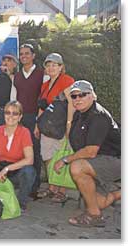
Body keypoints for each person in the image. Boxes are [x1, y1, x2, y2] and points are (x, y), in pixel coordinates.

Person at [54, 80, 121, 227]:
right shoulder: (80, 114)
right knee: (98, 202)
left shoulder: (98, 115)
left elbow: (91, 151)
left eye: (82, 95)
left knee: (77, 167)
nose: (77, 99)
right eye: (74, 96)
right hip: (97, 161)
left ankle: (94, 216)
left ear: (92, 96)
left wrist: (65, 160)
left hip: (116, 160)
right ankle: (120, 192)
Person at [0, 101, 36, 211]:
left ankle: (21, 202)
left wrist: (8, 169)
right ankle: (0, 197)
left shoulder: (24, 132)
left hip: (17, 170)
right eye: (8, 112)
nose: (11, 116)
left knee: (29, 171)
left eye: (15, 113)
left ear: (20, 117)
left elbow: (30, 159)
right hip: (1, 168)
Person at [35, 53, 75, 202]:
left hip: (62, 126)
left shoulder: (67, 80)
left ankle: (62, 190)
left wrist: (69, 124)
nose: (51, 67)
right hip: (47, 127)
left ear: (61, 67)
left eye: (54, 65)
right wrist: (37, 125)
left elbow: (72, 103)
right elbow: (42, 106)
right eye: (48, 64)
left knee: (62, 155)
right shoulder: (45, 85)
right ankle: (52, 186)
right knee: (47, 156)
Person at [14, 43, 44, 196]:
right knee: (19, 151)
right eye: (21, 54)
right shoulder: (18, 76)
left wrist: (38, 122)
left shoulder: (41, 74)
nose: (24, 56)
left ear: (33, 56)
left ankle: (34, 187)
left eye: (27, 53)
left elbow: (45, 98)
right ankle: (22, 184)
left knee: (35, 151)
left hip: (34, 118)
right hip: (19, 118)